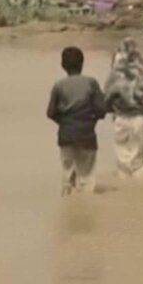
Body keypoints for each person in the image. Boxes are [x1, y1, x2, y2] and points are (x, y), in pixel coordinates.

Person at [46, 46, 106, 195]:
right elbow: (101, 110)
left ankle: (68, 209)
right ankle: (86, 211)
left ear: (62, 65)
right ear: (82, 63)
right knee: (86, 178)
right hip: (86, 135)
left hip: (66, 135)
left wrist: (64, 122)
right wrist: (90, 120)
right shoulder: (91, 83)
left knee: (67, 176)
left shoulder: (59, 86)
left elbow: (50, 112)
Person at [103, 38, 143, 178]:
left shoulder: (114, 78)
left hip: (121, 122)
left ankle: (126, 194)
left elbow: (105, 103)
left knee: (124, 165)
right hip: (142, 121)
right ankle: (141, 195)